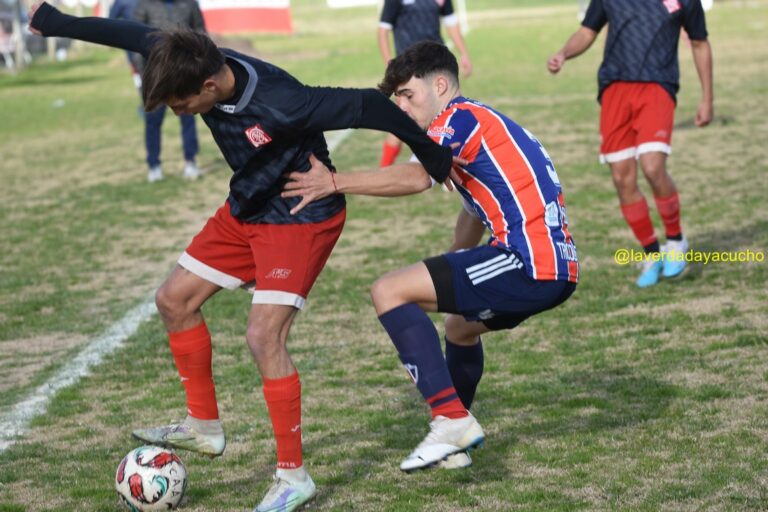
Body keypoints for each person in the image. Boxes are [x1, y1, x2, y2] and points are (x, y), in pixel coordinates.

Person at [28, 3, 452, 511]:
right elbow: (127, 32)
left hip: (298, 213)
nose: (178, 112)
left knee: (262, 336)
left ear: (209, 86)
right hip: (247, 204)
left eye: (181, 104)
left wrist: (436, 159)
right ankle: (204, 426)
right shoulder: (184, 56)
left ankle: (293, 477)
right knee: (174, 300)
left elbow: (368, 105)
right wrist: (52, 21)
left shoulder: (284, 102)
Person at [283, 41, 579, 472]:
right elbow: (474, 209)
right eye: (397, 98)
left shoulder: (456, 119)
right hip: (554, 264)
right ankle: (456, 438)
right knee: (459, 327)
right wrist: (455, 261)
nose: (401, 107)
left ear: (440, 85)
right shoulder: (478, 121)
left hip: (530, 262)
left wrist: (334, 181)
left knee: (389, 291)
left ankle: (449, 419)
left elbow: (417, 177)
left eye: (408, 94)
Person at [547, 0, 713, 288]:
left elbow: (699, 43)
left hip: (657, 86)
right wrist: (563, 53)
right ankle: (652, 253)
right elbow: (587, 31)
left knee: (652, 166)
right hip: (615, 88)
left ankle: (676, 241)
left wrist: (707, 99)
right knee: (622, 178)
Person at [377, 0, 471, 168]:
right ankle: (384, 170)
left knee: (450, 117)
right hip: (409, 72)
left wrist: (464, 53)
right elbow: (383, 30)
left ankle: (455, 166)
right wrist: (390, 65)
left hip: (437, 67)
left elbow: (451, 22)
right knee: (402, 122)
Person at [132, 0, 207, 182]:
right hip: (155, 78)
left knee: (188, 120)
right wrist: (143, 75)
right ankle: (154, 166)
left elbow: (201, 34)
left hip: (185, 76)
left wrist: (199, 69)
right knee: (152, 123)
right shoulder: (145, 5)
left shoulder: (190, 3)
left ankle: (190, 161)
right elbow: (135, 41)